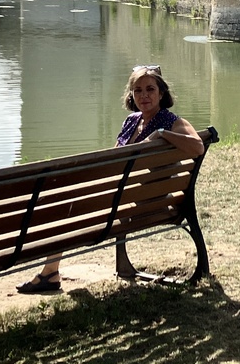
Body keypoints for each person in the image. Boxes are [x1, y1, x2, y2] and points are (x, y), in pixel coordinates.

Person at [16, 64, 203, 294]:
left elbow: (197, 146)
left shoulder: (171, 121)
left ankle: (50, 273)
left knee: (68, 208)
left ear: (162, 93)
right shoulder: (131, 121)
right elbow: (113, 162)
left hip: (141, 204)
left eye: (150, 89)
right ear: (131, 95)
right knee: (67, 204)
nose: (144, 95)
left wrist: (161, 134)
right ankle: (50, 271)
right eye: (137, 90)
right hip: (122, 197)